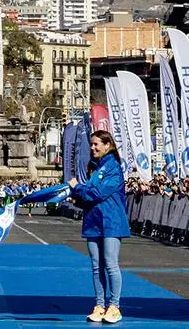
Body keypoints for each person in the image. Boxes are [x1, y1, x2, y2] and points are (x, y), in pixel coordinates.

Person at [67, 130, 129, 324]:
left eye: (96, 145)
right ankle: (100, 305)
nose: (93, 148)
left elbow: (99, 193)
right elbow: (90, 197)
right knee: (96, 266)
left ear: (107, 145)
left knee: (110, 264)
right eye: (92, 145)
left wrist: (77, 187)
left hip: (111, 221)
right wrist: (77, 199)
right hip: (93, 221)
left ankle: (115, 306)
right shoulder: (93, 168)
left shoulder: (114, 168)